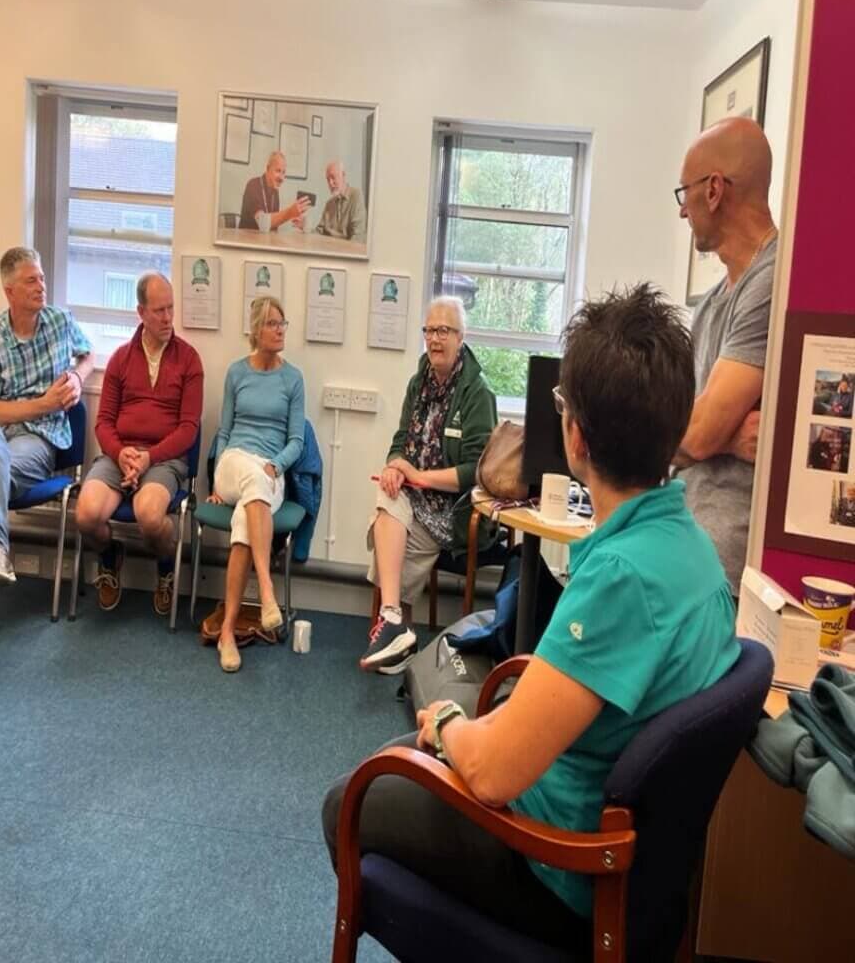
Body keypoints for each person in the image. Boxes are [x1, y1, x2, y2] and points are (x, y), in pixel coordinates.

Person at [323, 285, 740, 953]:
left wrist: (451, 723)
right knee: (414, 755)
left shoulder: (620, 578)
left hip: (560, 869)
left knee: (349, 802)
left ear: (572, 435)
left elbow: (492, 774)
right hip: (619, 854)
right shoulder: (689, 547)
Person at [0, 247, 93, 659]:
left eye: (42, 278)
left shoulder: (60, 321)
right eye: (31, 280)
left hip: (38, 442)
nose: (41, 285)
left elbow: (88, 354)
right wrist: (44, 401)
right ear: (9, 290)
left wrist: (78, 379)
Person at [360, 295, 497, 675]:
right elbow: (401, 439)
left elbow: (477, 471)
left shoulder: (477, 392)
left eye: (443, 331)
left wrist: (418, 476)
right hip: (416, 500)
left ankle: (393, 625)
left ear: (461, 336)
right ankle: (394, 622)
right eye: (429, 330)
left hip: (455, 510)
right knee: (389, 496)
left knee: (387, 518)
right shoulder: (418, 382)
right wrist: (394, 467)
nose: (435, 339)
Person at [673, 116, 778, 596]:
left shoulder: (773, 278)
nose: (682, 212)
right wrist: (728, 437)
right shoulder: (712, 303)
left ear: (714, 190)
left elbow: (693, 437)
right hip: (690, 545)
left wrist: (710, 435)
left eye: (684, 194)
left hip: (727, 570)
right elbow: (690, 431)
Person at [75, 273, 203, 617]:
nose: (167, 318)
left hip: (165, 460)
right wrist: (120, 453)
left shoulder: (189, 360)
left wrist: (149, 458)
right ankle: (109, 556)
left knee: (149, 515)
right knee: (86, 515)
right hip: (119, 455)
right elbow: (103, 423)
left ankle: (165, 568)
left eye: (170, 308)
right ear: (141, 312)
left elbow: (189, 429)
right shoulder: (120, 358)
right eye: (159, 310)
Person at [208, 296, 305, 672]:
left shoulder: (293, 378)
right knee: (250, 479)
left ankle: (228, 633)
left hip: (269, 474)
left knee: (245, 521)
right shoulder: (236, 373)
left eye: (283, 323)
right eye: (272, 323)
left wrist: (276, 467)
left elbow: (296, 441)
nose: (280, 330)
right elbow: (225, 431)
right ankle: (266, 589)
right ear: (256, 330)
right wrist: (217, 477)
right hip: (234, 463)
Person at [239, 151, 310, 231]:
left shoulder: (275, 191)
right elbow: (263, 223)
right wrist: (290, 212)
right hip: (248, 240)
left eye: (283, 172)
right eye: (278, 171)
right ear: (268, 168)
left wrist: (300, 222)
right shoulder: (253, 185)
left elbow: (273, 227)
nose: (282, 178)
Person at [316, 160, 367, 243]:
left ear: (343, 175)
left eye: (333, 177)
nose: (330, 183)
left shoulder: (356, 196)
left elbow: (358, 236)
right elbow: (319, 232)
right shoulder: (329, 203)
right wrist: (305, 227)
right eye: (328, 179)